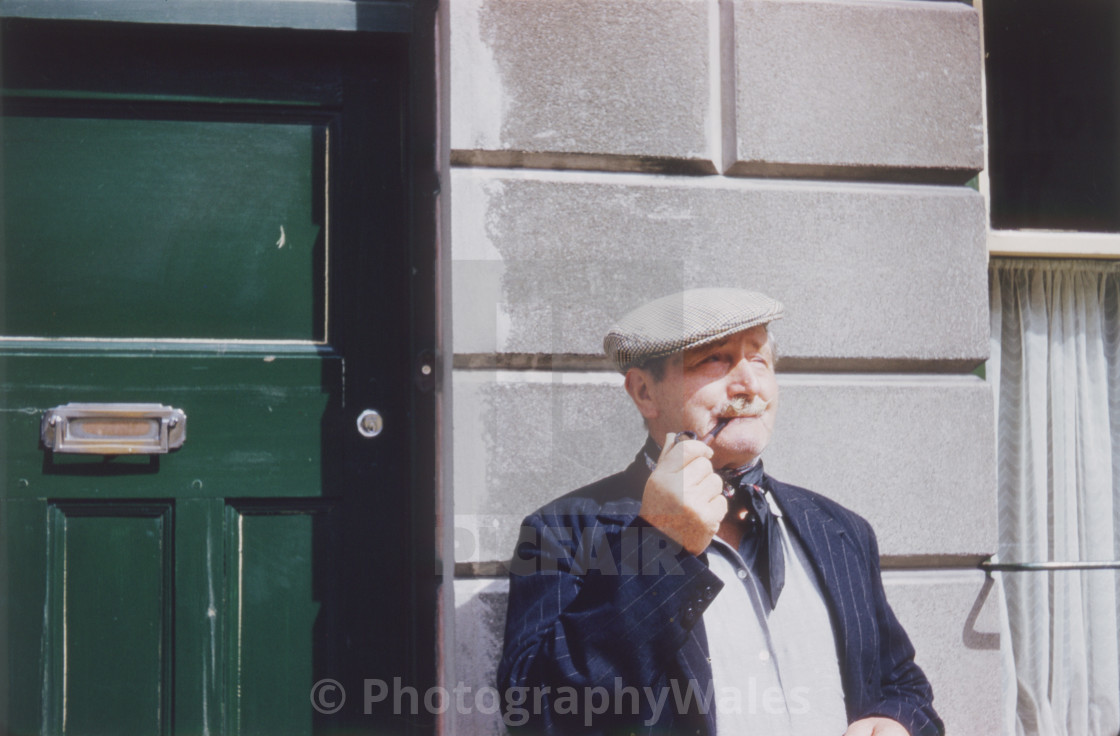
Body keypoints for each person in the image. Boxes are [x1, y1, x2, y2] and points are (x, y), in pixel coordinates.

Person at [497, 287, 943, 736]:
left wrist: (896, 722)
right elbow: (537, 715)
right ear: (644, 391)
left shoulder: (841, 530)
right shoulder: (561, 532)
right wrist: (659, 545)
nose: (749, 385)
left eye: (760, 360)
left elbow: (902, 685)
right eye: (715, 360)